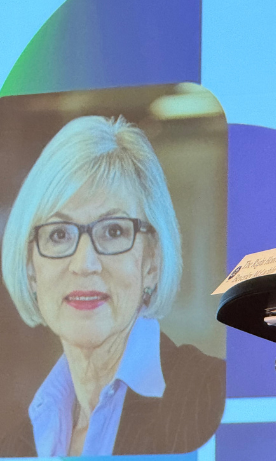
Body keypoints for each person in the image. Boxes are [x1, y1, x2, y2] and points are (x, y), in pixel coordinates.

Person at [0, 115, 224, 456]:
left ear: (151, 262)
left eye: (114, 231)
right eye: (59, 234)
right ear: (31, 270)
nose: (85, 264)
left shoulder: (212, 395)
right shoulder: (17, 445)